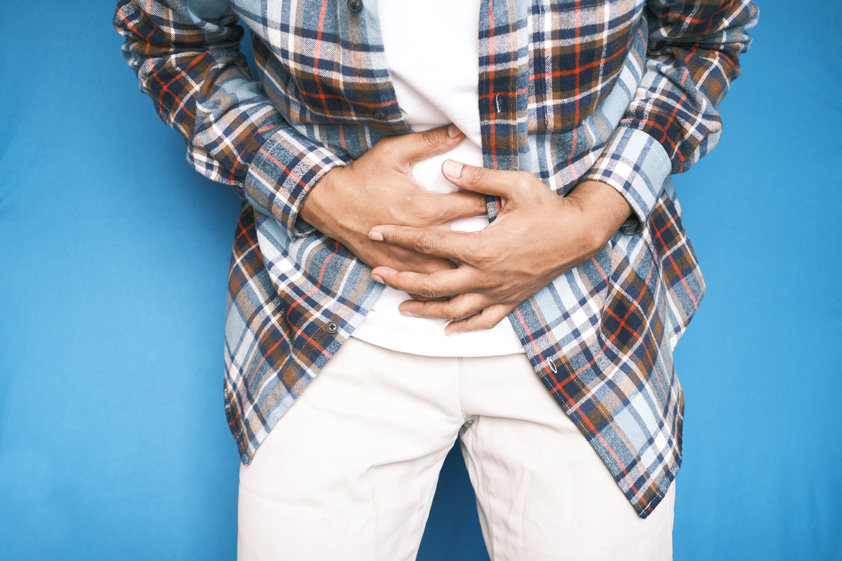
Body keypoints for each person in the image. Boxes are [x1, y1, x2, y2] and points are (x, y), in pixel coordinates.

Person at [114, 0, 757, 559]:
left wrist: (592, 217)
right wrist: (318, 190)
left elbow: (706, 32)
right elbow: (168, 36)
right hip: (325, 307)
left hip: (587, 310)